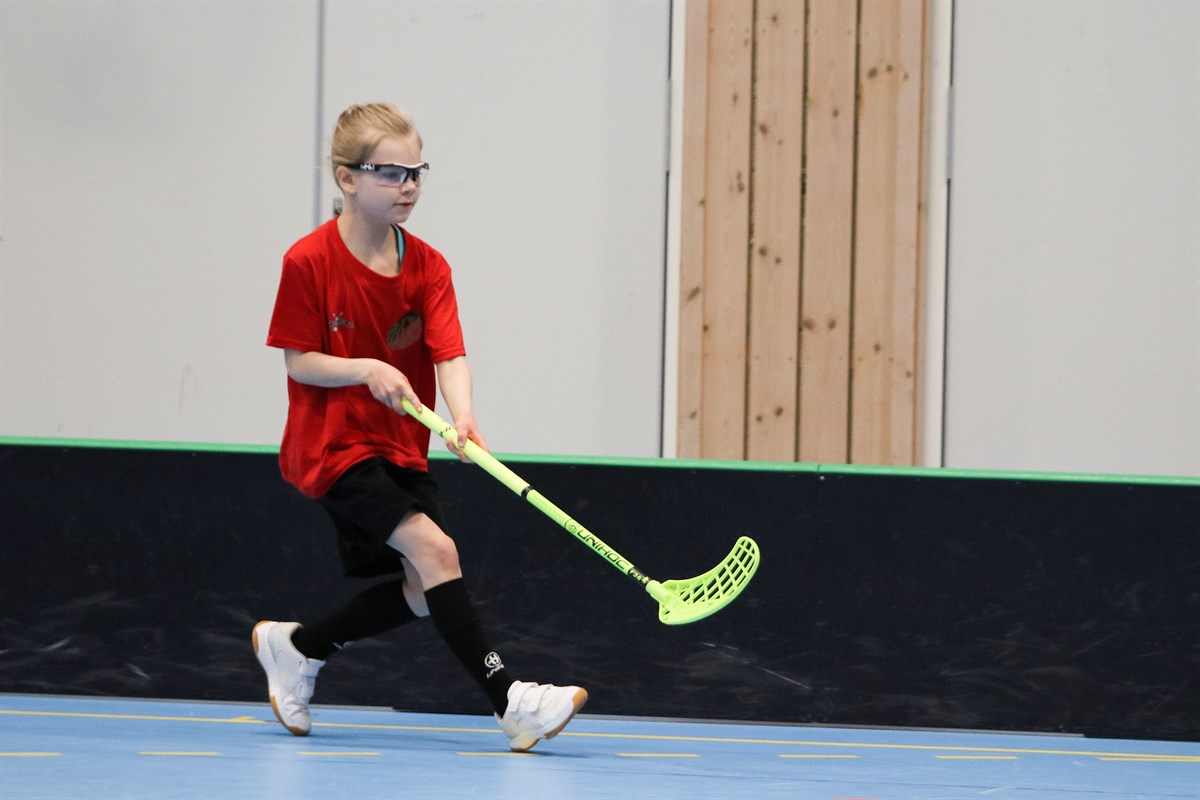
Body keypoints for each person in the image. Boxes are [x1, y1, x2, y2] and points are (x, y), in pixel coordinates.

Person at [253, 102, 587, 752]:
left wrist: (463, 417)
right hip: (331, 446)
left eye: (416, 173)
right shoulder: (309, 262)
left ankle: (298, 648)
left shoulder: (429, 266)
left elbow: (449, 354)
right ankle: (512, 702)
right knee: (438, 553)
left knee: (420, 586)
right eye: (391, 173)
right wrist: (365, 368)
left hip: (400, 444)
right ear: (348, 178)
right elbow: (299, 361)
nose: (408, 187)